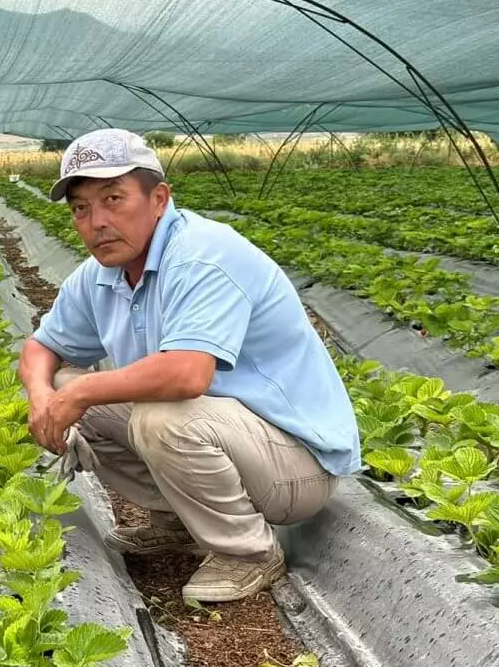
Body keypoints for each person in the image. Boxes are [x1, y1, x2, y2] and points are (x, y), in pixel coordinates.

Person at [19, 129, 361, 602]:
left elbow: (186, 374)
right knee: (66, 384)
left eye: (113, 199)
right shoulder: (100, 274)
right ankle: (178, 522)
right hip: (225, 436)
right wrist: (44, 395)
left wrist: (74, 395)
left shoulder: (204, 255)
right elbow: (41, 348)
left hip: (295, 463)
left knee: (154, 412)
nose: (96, 221)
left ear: (158, 199)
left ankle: (249, 554)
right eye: (81, 208)